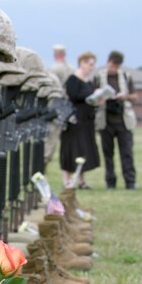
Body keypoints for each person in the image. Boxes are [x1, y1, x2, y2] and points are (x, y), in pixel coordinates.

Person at [94, 50, 137, 189]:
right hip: (105, 121)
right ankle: (110, 182)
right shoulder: (99, 77)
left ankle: (130, 182)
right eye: (112, 64)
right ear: (108, 61)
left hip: (123, 121)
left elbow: (135, 96)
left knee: (127, 153)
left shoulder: (126, 76)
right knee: (108, 154)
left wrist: (125, 96)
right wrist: (100, 98)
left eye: (116, 65)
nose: (114, 67)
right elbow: (92, 96)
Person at [59, 51, 100, 188]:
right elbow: (73, 96)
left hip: (86, 121)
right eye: (90, 64)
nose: (92, 67)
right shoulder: (73, 79)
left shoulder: (89, 81)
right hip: (74, 121)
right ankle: (67, 181)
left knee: (83, 150)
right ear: (82, 63)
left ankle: (82, 181)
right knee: (71, 149)